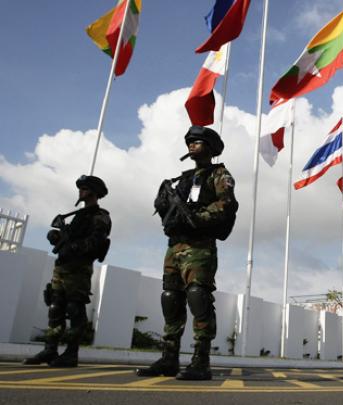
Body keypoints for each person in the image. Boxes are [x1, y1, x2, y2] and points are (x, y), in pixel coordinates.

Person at [135, 126, 238, 381]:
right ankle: (169, 358)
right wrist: (164, 206)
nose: (192, 145)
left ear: (211, 147)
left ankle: (200, 361)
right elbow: (170, 212)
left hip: (199, 246)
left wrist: (195, 217)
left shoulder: (220, 174)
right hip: (175, 246)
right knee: (170, 298)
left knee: (198, 297)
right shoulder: (181, 180)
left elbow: (226, 205)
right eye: (190, 141)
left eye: (198, 141)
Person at [23, 175, 111, 368]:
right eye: (80, 188)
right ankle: (50, 349)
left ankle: (71, 353)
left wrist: (74, 247)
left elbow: (96, 242)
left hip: (79, 269)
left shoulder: (100, 217)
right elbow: (68, 237)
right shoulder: (76, 216)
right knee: (55, 307)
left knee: (75, 309)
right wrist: (57, 237)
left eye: (85, 188)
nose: (81, 191)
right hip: (62, 267)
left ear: (94, 192)